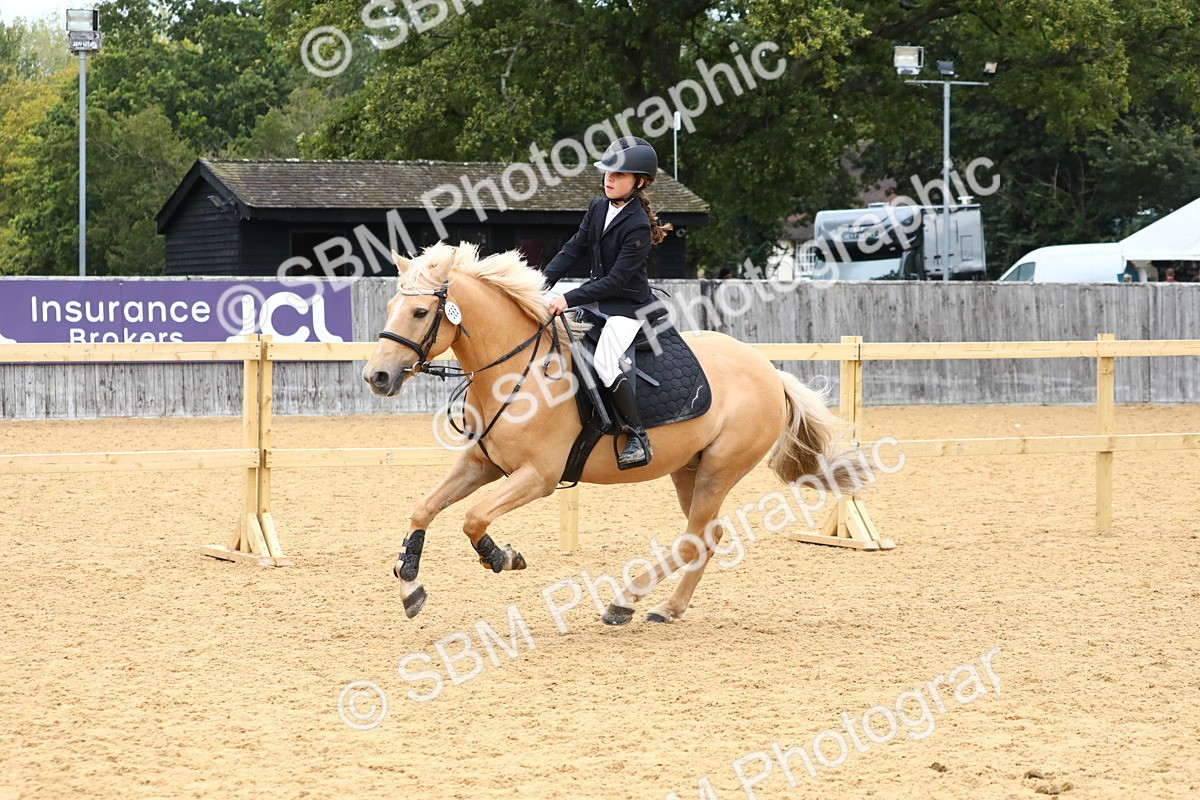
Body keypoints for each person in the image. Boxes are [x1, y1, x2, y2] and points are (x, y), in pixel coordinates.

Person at [542, 136, 673, 469]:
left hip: (627, 308)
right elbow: (573, 249)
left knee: (604, 362)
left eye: (619, 175)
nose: (609, 180)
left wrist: (566, 298)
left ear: (639, 182)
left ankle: (637, 436)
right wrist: (540, 284)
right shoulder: (597, 206)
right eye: (607, 173)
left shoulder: (638, 226)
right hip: (597, 300)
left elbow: (616, 281)